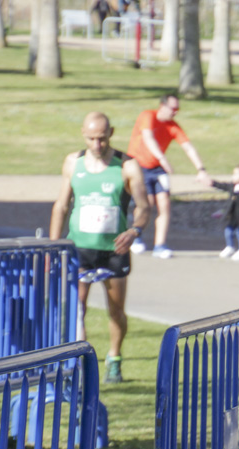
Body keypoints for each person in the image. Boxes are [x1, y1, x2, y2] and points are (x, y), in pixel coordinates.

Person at [49, 112, 151, 384]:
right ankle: (77, 365)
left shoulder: (127, 165)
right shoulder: (74, 162)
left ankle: (114, 359)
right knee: (76, 309)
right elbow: (60, 205)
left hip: (114, 249)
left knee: (115, 310)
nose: (97, 144)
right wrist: (52, 245)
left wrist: (134, 230)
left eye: (102, 139)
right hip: (79, 248)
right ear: (83, 134)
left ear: (111, 133)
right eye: (92, 138)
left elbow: (144, 207)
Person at [125, 93, 210, 259]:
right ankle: (137, 238)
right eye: (173, 108)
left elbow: (188, 147)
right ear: (162, 106)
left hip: (158, 169)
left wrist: (201, 169)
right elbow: (148, 138)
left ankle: (160, 245)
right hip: (139, 166)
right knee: (146, 204)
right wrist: (163, 158)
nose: (175, 112)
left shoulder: (173, 126)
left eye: (177, 109)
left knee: (164, 205)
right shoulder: (147, 116)